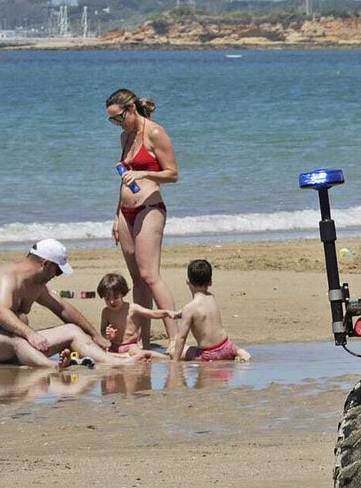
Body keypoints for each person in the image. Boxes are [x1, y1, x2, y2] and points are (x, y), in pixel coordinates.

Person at [0, 239, 149, 368]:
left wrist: (95, 335)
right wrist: (31, 335)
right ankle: (54, 368)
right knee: (18, 341)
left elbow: (63, 309)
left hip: (18, 344)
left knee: (72, 330)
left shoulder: (38, 285)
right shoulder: (7, 277)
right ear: (46, 264)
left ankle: (113, 361)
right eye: (58, 271)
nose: (56, 275)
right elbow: (1, 313)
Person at [106, 88, 182, 348]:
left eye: (119, 117)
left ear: (131, 108)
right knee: (137, 278)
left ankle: (175, 336)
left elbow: (173, 173)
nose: (117, 123)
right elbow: (123, 179)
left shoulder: (155, 132)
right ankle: (143, 339)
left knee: (150, 275)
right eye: (112, 120)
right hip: (126, 212)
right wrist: (117, 216)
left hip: (150, 207)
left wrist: (143, 175)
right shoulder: (125, 137)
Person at [174, 259, 252, 361]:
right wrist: (182, 313)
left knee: (174, 351)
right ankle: (239, 352)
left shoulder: (189, 308)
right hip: (227, 346)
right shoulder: (211, 297)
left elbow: (181, 337)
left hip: (209, 354)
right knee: (230, 350)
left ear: (187, 281)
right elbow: (203, 311)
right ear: (210, 282)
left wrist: (174, 361)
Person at [97, 272, 179, 353]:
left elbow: (152, 314)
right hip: (114, 346)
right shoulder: (106, 312)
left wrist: (167, 313)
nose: (111, 302)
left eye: (115, 297)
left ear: (122, 294)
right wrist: (108, 335)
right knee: (102, 355)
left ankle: (165, 359)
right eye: (107, 299)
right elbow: (103, 330)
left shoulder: (132, 308)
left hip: (131, 346)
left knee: (139, 354)